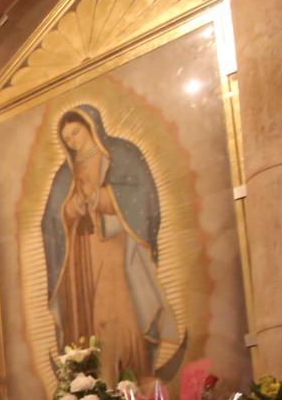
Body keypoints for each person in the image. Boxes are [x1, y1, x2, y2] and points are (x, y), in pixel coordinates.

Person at [42, 104, 180, 382]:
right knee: (89, 317)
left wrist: (101, 198)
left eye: (76, 133)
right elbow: (51, 221)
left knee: (116, 310)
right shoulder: (64, 174)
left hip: (116, 246)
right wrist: (71, 209)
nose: (72, 142)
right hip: (81, 256)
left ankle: (131, 370)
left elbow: (144, 197)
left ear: (92, 127)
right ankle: (93, 380)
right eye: (67, 139)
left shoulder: (123, 155)